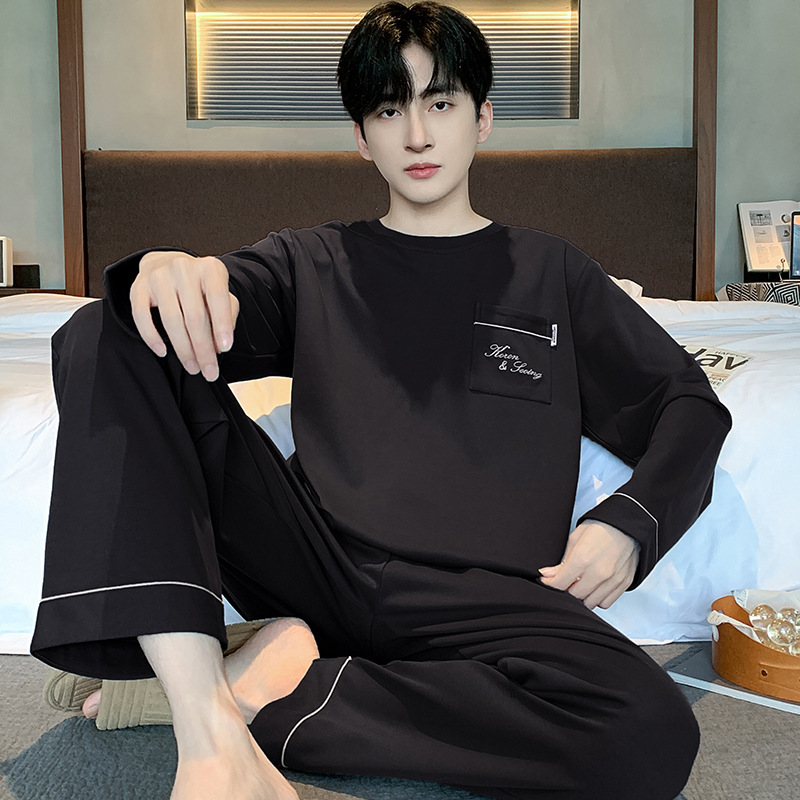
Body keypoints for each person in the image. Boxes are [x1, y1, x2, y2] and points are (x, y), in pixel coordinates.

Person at [31, 2, 731, 799]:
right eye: (390, 111)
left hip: (489, 598)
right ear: (362, 137)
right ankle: (207, 726)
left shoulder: (554, 274)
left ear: (483, 118)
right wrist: (164, 266)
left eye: (441, 103)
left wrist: (631, 522)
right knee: (112, 327)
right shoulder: (311, 261)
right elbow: (209, 296)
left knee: (649, 732)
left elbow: (686, 403)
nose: (418, 135)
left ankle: (270, 683)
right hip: (313, 560)